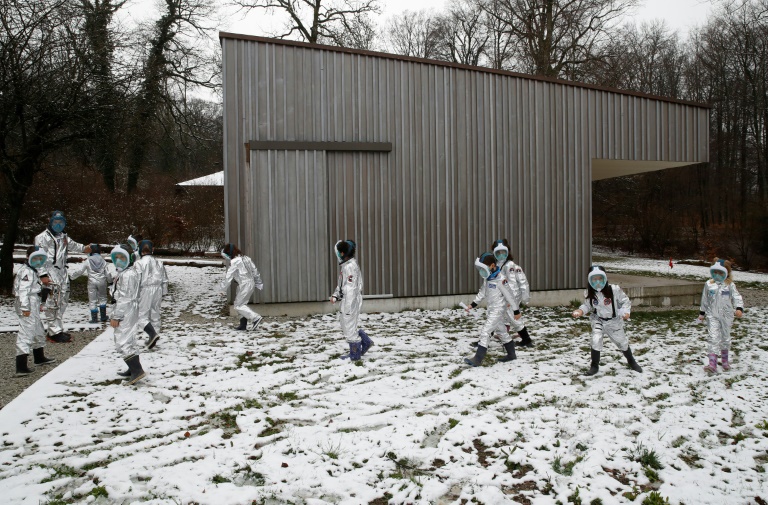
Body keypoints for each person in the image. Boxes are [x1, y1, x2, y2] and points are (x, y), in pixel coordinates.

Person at [571, 265, 642, 376]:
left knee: (622, 342)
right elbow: (587, 306)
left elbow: (625, 301)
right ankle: (594, 366)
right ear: (590, 281)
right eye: (594, 280)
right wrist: (580, 311)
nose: (597, 282)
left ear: (605, 278)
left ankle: (631, 361)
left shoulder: (614, 290)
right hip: (598, 320)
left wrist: (625, 312)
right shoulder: (589, 293)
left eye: (600, 278)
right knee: (596, 339)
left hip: (614, 321)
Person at [34, 210, 91, 342]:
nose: (58, 225)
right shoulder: (42, 237)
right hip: (50, 271)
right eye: (56, 222)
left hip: (62, 272)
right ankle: (53, 332)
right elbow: (38, 258)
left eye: (61, 222)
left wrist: (85, 248)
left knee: (62, 300)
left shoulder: (64, 236)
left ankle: (57, 328)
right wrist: (42, 274)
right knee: (52, 302)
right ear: (50, 221)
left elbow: (74, 245)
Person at [463, 252, 518, 367]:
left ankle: (478, 359)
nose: (482, 272)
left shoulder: (501, 280)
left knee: (485, 331)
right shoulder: (487, 279)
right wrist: (472, 305)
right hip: (491, 310)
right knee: (501, 332)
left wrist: (516, 310)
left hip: (498, 310)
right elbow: (482, 293)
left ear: (492, 265)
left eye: (484, 268)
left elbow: (509, 296)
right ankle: (511, 354)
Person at [13, 247, 57, 376]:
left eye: (40, 259)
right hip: (27, 302)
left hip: (33, 301)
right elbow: (23, 292)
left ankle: (39, 357)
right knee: (26, 332)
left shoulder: (33, 270)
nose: (38, 261)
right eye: (35, 258)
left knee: (38, 329)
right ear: (28, 257)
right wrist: (25, 308)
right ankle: (20, 365)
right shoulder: (26, 272)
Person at [697, 259, 744, 373]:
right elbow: (705, 299)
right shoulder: (709, 284)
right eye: (715, 272)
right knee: (713, 338)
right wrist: (702, 313)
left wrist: (739, 308)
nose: (717, 275)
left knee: (725, 338)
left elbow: (737, 297)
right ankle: (712, 364)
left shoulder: (729, 285)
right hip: (712, 315)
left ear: (726, 273)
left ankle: (725, 361)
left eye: (720, 273)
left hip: (726, 316)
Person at [330, 240, 373, 361]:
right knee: (347, 324)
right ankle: (365, 342)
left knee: (348, 325)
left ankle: (355, 353)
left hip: (351, 300)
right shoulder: (346, 265)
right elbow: (342, 284)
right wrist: (336, 295)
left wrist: (348, 306)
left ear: (343, 253)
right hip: (348, 299)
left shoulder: (350, 267)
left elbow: (350, 288)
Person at [110, 244, 146, 385]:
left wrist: (116, 316)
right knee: (129, 339)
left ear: (129, 258)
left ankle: (137, 371)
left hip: (126, 310)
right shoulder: (126, 273)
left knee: (122, 341)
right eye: (116, 257)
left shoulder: (128, 275)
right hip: (129, 308)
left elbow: (125, 298)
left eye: (122, 257)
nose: (118, 260)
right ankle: (132, 368)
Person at [492, 239, 533, 347]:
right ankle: (502, 335)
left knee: (513, 318)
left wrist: (512, 300)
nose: (501, 255)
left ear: (508, 252)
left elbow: (514, 285)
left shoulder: (509, 265)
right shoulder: (498, 265)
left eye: (503, 252)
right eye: (498, 253)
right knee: (500, 317)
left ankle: (527, 340)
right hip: (502, 297)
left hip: (510, 298)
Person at [220, 243, 264, 331]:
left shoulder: (235, 261)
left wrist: (222, 289)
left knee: (238, 305)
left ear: (229, 254)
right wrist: (258, 282)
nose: (226, 258)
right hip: (249, 284)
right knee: (241, 303)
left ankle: (255, 318)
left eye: (225, 256)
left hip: (244, 284)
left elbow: (228, 276)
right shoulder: (246, 258)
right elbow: (254, 271)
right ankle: (243, 325)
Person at [134, 240, 168, 349]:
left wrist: (135, 294)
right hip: (157, 289)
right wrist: (163, 292)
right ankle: (154, 336)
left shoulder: (138, 263)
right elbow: (165, 279)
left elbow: (136, 280)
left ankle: (152, 334)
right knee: (155, 313)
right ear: (152, 249)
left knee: (141, 315)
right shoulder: (159, 262)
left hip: (145, 289)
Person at [68, 244, 112, 323]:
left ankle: (94, 319)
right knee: (102, 298)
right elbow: (108, 273)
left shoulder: (88, 261)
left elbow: (79, 271)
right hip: (102, 282)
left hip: (91, 282)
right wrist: (110, 281)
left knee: (92, 300)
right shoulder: (103, 261)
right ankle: (103, 317)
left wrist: (71, 277)